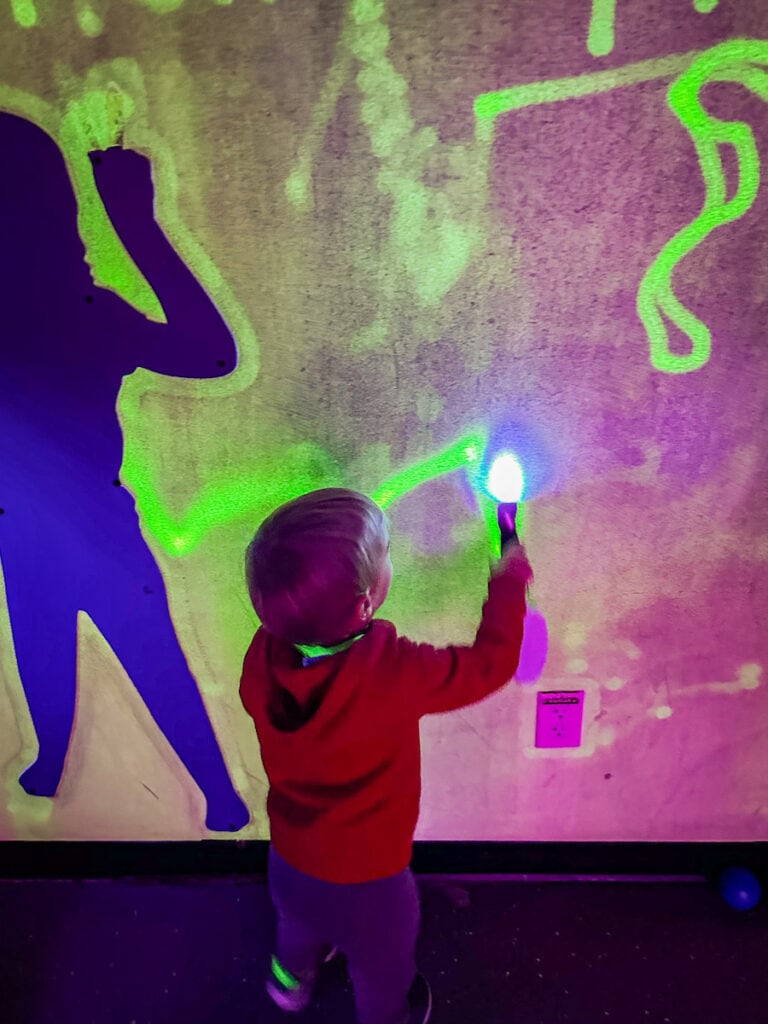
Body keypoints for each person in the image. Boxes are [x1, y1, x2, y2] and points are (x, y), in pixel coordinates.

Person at [239, 487, 532, 1024]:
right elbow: (492, 663)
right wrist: (509, 573)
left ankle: (288, 985)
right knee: (383, 965)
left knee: (296, 927)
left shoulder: (264, 656)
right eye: (388, 553)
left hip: (291, 858)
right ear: (365, 604)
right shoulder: (395, 674)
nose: (391, 558)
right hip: (371, 884)